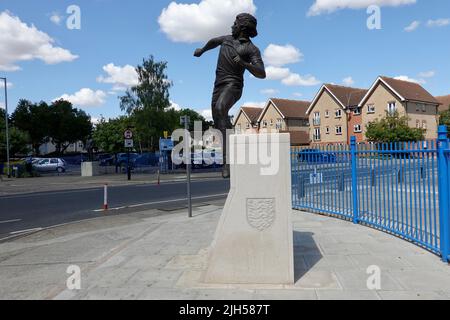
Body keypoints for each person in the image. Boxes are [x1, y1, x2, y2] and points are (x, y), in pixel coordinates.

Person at [194, 13, 266, 178]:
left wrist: (244, 64)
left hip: (234, 85)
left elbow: (262, 73)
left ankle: (228, 162)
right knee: (219, 120)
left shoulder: (251, 49)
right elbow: (213, 41)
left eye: (234, 23)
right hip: (218, 85)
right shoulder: (227, 39)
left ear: (241, 27)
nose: (232, 26)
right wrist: (202, 50)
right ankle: (232, 143)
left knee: (220, 108)